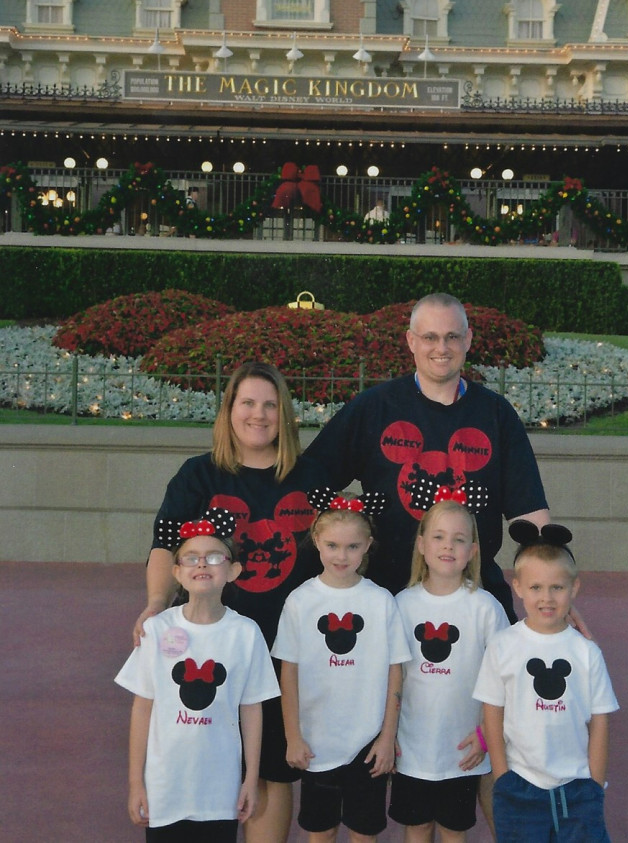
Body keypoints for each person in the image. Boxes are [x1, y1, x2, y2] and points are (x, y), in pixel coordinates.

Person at [133, 361, 329, 843]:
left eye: (269, 404)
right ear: (229, 410)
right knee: (203, 749)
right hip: (210, 643)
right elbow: (164, 544)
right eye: (248, 403)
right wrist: (156, 602)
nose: (258, 415)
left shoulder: (311, 477)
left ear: (284, 414)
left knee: (271, 768)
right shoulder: (198, 475)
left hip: (283, 648)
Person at [304, 292, 552, 623]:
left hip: (472, 595)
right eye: (430, 337)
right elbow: (307, 481)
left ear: (468, 340)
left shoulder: (495, 414)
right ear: (411, 341)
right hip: (388, 596)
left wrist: (553, 582)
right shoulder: (374, 408)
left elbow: (530, 513)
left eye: (452, 337)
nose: (441, 348)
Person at [116, 508, 280, 841]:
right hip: (166, 788)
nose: (202, 564)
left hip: (220, 790)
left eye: (214, 556)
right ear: (176, 572)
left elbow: (251, 710)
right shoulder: (157, 629)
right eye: (191, 558)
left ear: (233, 570)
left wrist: (250, 779)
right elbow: (142, 708)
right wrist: (137, 782)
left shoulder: (246, 633)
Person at [272, 489, 411, 842]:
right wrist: (293, 736)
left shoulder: (380, 601)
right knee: (320, 831)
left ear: (367, 545)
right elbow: (289, 673)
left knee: (364, 832)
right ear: (317, 540)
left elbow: (397, 670)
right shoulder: (301, 601)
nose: (341, 555)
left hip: (367, 741)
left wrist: (387, 736)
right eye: (332, 545)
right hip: (316, 741)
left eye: (352, 546)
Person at [473, 521, 619, 842]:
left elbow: (600, 722)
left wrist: (594, 783)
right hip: (519, 787)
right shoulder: (503, 645)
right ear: (518, 587)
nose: (547, 598)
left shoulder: (586, 652)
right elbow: (492, 714)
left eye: (557, 587)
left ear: (574, 588)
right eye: (536, 587)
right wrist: (502, 777)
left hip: (579, 788)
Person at [389, 499, 509, 843]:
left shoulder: (485, 607)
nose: (448, 546)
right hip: (412, 747)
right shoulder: (401, 605)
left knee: (454, 830)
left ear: (472, 551)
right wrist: (388, 733)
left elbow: (504, 678)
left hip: (464, 748)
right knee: (417, 828)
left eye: (458, 539)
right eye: (439, 536)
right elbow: (392, 678)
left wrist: (487, 731)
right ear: (422, 545)